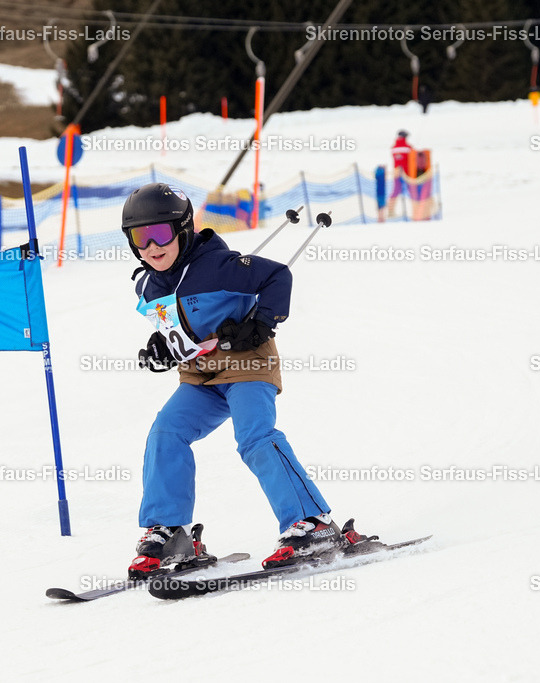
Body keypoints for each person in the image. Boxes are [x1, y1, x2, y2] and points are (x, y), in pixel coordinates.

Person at [121, 183, 373, 579]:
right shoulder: (149, 283)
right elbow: (172, 326)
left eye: (160, 234)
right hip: (201, 376)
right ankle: (169, 531)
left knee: (254, 436)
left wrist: (261, 324)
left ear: (183, 230)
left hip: (247, 366)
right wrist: (159, 347)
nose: (151, 247)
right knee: (165, 433)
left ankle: (311, 522)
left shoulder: (217, 266)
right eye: (140, 237)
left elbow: (277, 276)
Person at [387, 130, 414, 218]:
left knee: (395, 192)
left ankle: (390, 212)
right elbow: (413, 157)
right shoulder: (408, 147)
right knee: (413, 191)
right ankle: (416, 210)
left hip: (396, 172)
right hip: (407, 173)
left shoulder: (393, 147)